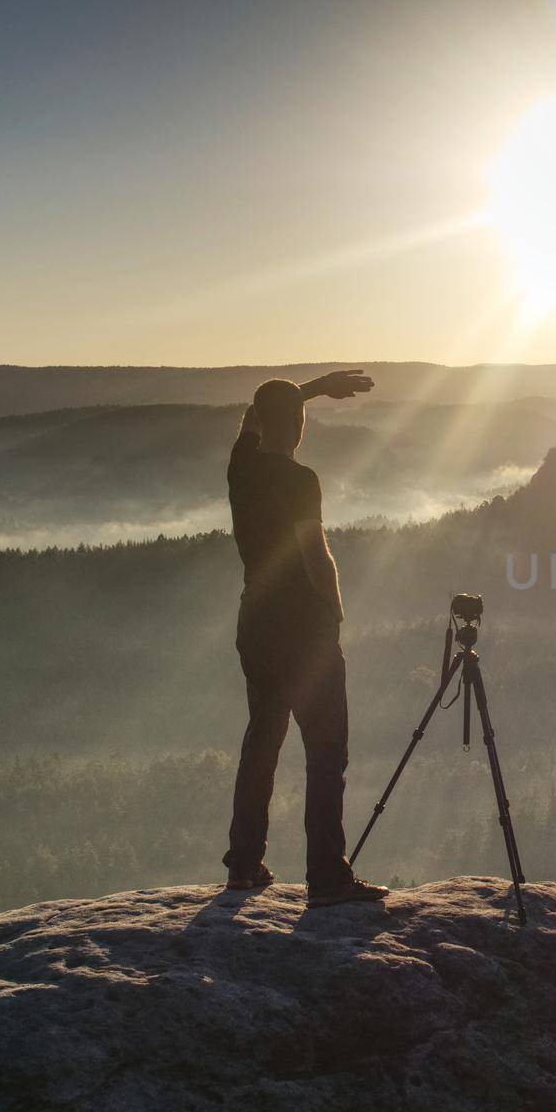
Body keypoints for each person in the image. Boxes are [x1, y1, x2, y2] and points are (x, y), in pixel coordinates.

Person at [223, 369, 389, 907]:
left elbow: (254, 416)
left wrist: (311, 389)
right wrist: (335, 613)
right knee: (325, 753)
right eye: (299, 417)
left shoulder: (241, 467)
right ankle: (327, 877)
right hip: (303, 631)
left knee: (262, 743)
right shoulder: (301, 481)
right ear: (296, 426)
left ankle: (244, 866)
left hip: (255, 624)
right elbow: (315, 556)